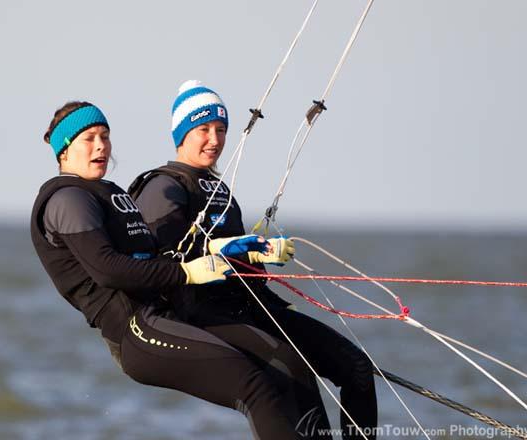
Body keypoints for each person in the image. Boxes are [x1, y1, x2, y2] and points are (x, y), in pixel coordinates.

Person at [31, 101, 329, 439]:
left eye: (105, 136)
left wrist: (219, 250)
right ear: (65, 150)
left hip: (168, 314)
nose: (101, 146)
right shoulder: (68, 199)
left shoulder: (110, 193)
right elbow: (109, 271)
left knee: (285, 368)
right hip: (135, 330)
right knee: (254, 386)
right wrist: (187, 273)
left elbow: (156, 254)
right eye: (89, 138)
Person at [130, 81, 378, 440]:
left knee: (355, 366)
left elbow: (246, 269)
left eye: (221, 130)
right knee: (295, 372)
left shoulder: (221, 192)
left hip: (254, 306)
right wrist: (229, 247)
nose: (214, 139)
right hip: (204, 316)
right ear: (181, 134)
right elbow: (164, 258)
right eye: (203, 130)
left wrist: (259, 255)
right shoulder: (163, 187)